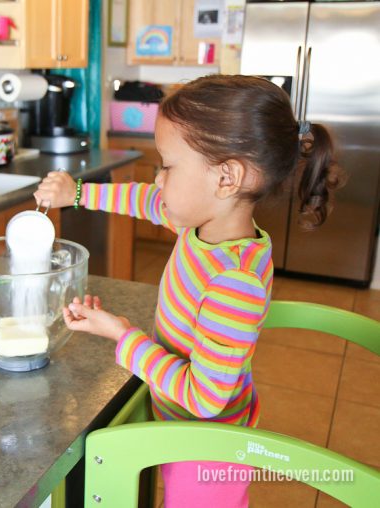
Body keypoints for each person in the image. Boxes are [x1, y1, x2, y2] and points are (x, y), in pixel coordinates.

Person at [33, 74, 343, 507]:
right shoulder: (204, 223)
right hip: (180, 424)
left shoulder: (235, 282)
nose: (158, 179)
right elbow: (145, 200)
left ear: (227, 177)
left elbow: (205, 397)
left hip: (206, 448)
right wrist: (79, 193)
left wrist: (123, 335)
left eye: (168, 165)